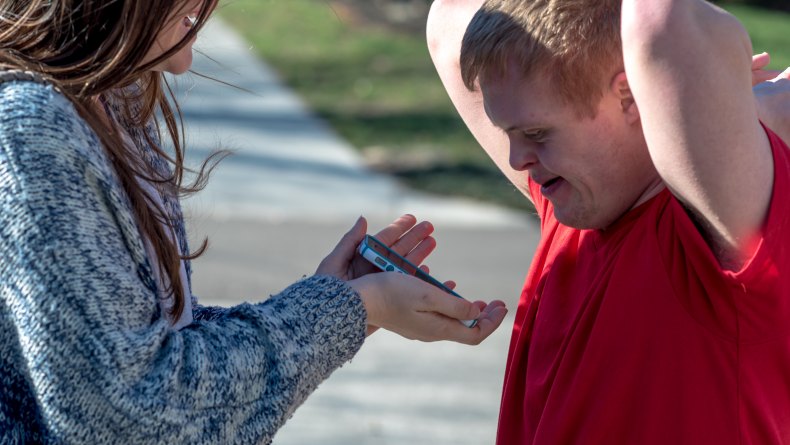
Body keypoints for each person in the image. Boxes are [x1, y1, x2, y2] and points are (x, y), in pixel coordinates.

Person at [0, 1, 509, 443]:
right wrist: (354, 305)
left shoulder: (104, 100)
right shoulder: (34, 132)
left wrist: (335, 299)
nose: (185, 61)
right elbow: (130, 415)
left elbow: (154, 343)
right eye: (188, 17)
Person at [428, 0, 790, 443]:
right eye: (510, 133)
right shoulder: (574, 204)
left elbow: (662, 18)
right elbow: (449, 16)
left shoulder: (714, 234)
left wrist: (742, 112)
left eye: (538, 134)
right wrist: (741, 106)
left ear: (631, 95)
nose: (517, 159)